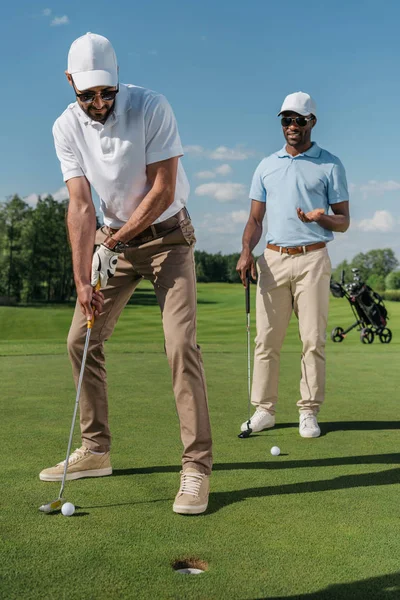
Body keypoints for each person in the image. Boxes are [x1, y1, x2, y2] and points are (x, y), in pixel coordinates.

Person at [39, 32, 212, 515]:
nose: (99, 102)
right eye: (87, 94)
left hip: (167, 238)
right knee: (81, 338)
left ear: (117, 81)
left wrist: (110, 244)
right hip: (112, 241)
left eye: (106, 92)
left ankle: (196, 467)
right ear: (70, 82)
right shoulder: (65, 127)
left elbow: (163, 188)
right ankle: (96, 450)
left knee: (180, 345)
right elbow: (79, 205)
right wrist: (81, 281)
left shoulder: (151, 106)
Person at [236, 92, 350, 438]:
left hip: (313, 258)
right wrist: (245, 251)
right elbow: (255, 220)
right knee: (266, 340)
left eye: (299, 120)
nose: (292, 126)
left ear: (312, 122)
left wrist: (322, 217)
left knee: (312, 340)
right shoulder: (266, 165)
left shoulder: (330, 164)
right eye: (286, 120)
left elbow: (343, 221)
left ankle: (308, 411)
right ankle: (264, 410)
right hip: (272, 259)